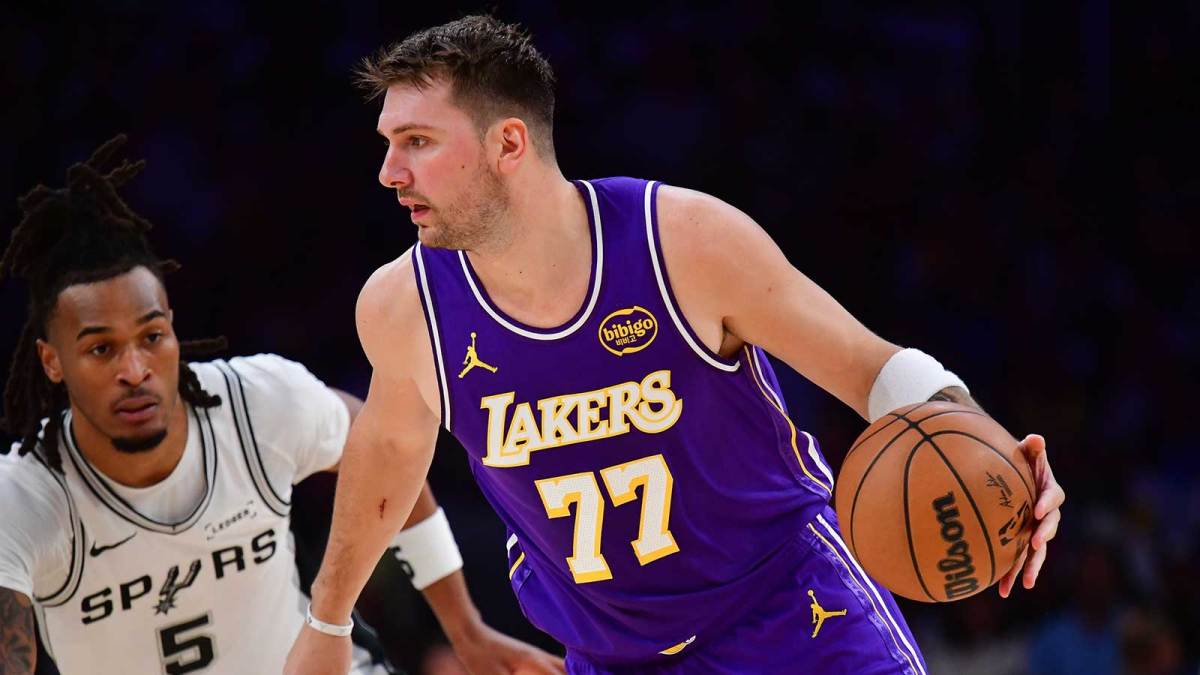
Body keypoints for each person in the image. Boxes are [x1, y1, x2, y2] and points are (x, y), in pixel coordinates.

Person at [286, 15, 1066, 674]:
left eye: (417, 140)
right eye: (390, 143)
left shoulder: (683, 243)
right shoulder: (402, 305)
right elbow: (388, 451)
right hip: (611, 651)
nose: (390, 171)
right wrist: (327, 620)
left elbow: (872, 368)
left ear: (509, 143)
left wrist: (984, 436)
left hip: (795, 614)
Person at [0, 136, 565, 675]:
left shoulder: (253, 404)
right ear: (53, 362)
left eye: (151, 337)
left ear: (172, 329)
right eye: (101, 349)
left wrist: (465, 629)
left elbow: (387, 451)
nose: (135, 370)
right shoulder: (27, 495)